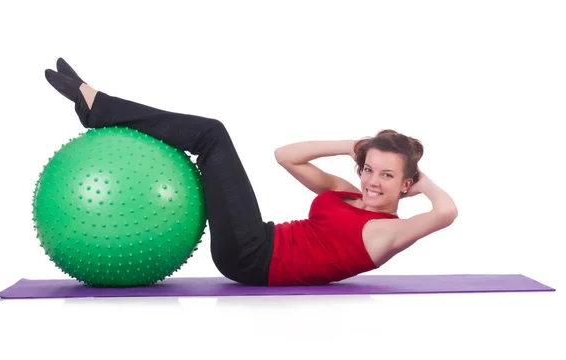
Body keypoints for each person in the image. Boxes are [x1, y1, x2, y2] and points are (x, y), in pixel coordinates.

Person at [44, 58, 458, 287]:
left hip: (251, 257)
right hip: (259, 239)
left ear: (405, 184)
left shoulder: (388, 233)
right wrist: (355, 145)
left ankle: (99, 107)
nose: (371, 181)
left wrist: (423, 183)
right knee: (211, 136)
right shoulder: (348, 194)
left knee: (211, 135)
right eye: (369, 169)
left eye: (387, 176)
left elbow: (445, 213)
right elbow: (286, 156)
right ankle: (98, 106)